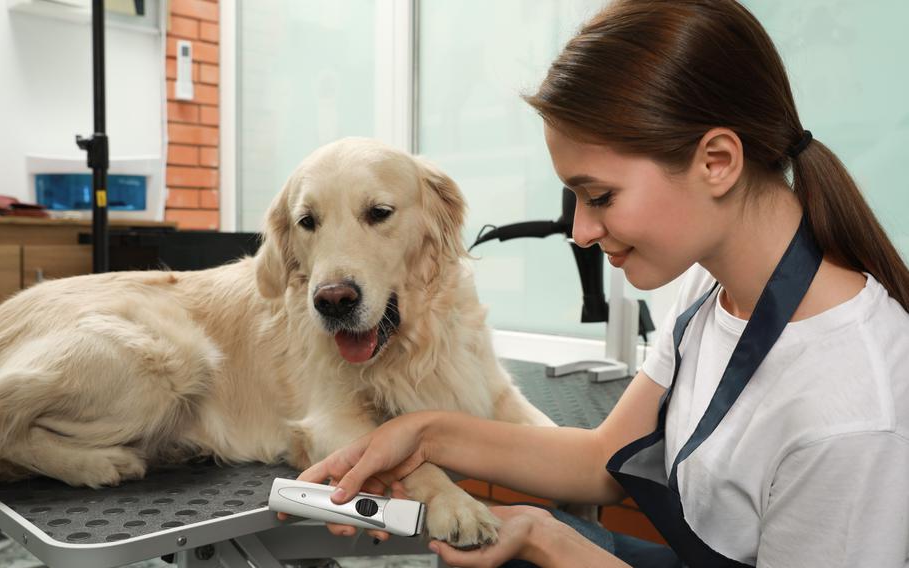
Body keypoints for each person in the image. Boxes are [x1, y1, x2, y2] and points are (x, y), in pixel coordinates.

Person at [286, 0, 909, 566]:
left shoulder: (850, 416)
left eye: (599, 196)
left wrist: (548, 538)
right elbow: (603, 459)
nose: (579, 231)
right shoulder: (709, 292)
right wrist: (418, 434)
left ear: (716, 162)